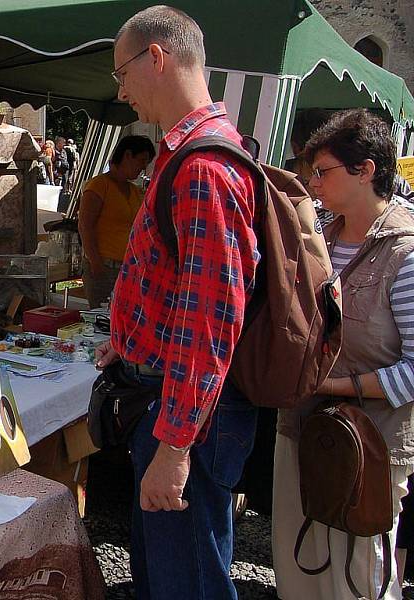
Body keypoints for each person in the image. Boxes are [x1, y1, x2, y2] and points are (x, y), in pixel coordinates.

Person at [95, 6, 260, 599]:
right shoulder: (184, 158)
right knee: (166, 576)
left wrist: (175, 446)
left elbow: (211, 320)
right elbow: (179, 289)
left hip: (185, 416)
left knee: (183, 584)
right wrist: (129, 338)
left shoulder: (202, 169)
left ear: (156, 58)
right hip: (170, 405)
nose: (123, 92)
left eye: (122, 75)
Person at [272, 109, 414, 600]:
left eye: (324, 171)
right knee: (300, 566)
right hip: (303, 428)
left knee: (358, 577)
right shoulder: (321, 240)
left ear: (367, 170)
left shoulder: (407, 252)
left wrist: (333, 386)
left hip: (372, 444)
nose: (314, 181)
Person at [78, 135, 155, 308]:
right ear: (127, 155)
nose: (143, 167)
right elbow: (85, 226)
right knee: (103, 319)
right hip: (103, 267)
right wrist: (95, 263)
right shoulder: (98, 185)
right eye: (142, 160)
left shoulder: (135, 191)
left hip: (129, 268)